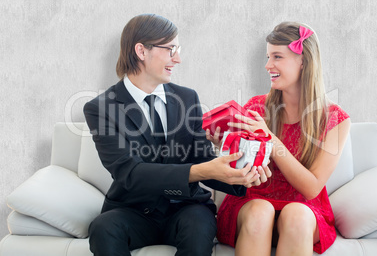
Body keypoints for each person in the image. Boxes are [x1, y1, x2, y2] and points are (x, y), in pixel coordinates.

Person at [83, 14, 269, 256]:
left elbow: (202, 159)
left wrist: (239, 176)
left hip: (187, 207)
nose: (178, 59)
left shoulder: (186, 98)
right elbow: (128, 172)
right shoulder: (101, 108)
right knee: (103, 228)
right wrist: (203, 171)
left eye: (177, 49)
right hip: (133, 209)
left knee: (199, 227)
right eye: (171, 49)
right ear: (141, 50)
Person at [209, 22, 351, 255]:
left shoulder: (335, 119)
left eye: (277, 56)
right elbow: (238, 167)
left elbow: (312, 188)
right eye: (268, 56)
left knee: (297, 215)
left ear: (303, 61)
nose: (267, 65)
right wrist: (221, 144)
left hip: (303, 208)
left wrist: (271, 140)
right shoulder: (256, 107)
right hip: (252, 204)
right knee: (260, 212)